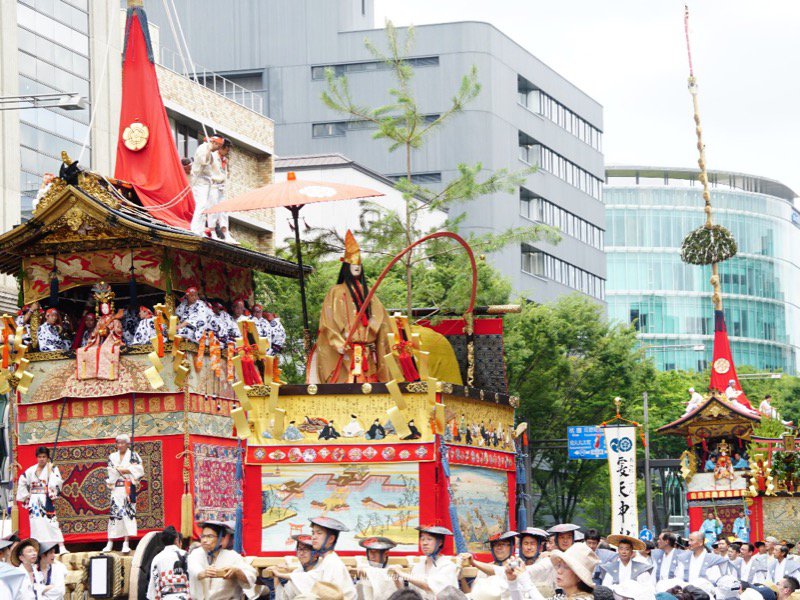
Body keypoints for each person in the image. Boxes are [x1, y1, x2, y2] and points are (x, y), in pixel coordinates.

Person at [316, 230, 392, 384]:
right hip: (344, 354)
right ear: (345, 266)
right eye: (352, 264)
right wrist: (339, 344)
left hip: (368, 356)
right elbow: (328, 323)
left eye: (359, 264)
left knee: (369, 388)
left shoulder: (369, 294)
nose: (356, 267)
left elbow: (383, 323)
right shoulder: (335, 292)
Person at [280, 517, 355, 600]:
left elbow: (330, 595)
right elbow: (311, 577)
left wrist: (281, 575)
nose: (313, 537)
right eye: (313, 533)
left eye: (319, 533)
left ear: (331, 539)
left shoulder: (332, 563)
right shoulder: (326, 560)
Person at [187, 520, 258, 599]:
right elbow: (194, 568)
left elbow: (250, 576)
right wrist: (202, 573)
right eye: (203, 536)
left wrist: (237, 572)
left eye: (210, 536)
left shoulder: (232, 556)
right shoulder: (196, 553)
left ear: (221, 540)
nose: (204, 540)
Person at [17, 446, 67, 554]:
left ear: (47, 457)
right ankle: (38, 547)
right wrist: (27, 495)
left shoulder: (52, 468)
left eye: (44, 457)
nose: (42, 459)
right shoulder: (31, 470)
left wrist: (51, 478)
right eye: (39, 457)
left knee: (51, 522)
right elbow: (22, 480)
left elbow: (57, 482)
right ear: (36, 457)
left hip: (46, 498)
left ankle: (61, 546)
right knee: (36, 524)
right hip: (34, 500)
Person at [507, 542, 599, 600]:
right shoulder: (560, 597)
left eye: (566, 567)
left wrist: (525, 579)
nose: (559, 571)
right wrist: (512, 581)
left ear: (579, 576)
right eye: (559, 565)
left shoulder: (584, 598)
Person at [389, 525, 459, 600]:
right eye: (422, 539)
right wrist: (396, 579)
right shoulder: (418, 566)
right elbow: (411, 595)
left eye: (429, 539)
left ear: (440, 543)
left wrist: (402, 574)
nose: (425, 543)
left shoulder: (447, 565)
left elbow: (428, 586)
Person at [104, 434, 144, 554]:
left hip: (127, 487)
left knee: (127, 515)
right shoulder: (112, 456)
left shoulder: (133, 455)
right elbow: (111, 470)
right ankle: (110, 542)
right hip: (116, 488)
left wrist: (125, 470)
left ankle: (126, 543)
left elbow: (139, 470)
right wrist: (126, 469)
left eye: (123, 443)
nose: (120, 445)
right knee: (115, 514)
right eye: (118, 443)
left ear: (127, 444)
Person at [190, 136, 224, 237]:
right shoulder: (203, 148)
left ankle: (200, 229)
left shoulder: (212, 153)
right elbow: (203, 161)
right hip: (199, 180)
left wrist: (220, 178)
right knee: (201, 205)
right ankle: (195, 228)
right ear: (214, 143)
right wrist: (208, 150)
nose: (218, 148)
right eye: (218, 145)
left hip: (207, 182)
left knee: (205, 207)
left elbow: (214, 168)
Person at [147, 526, 189, 600]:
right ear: (176, 540)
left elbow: (154, 584)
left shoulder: (157, 558)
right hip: (184, 596)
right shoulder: (185, 555)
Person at [270, 533, 317, 600]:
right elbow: (283, 598)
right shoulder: (297, 572)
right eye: (300, 549)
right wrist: (276, 577)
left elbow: (307, 577)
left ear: (316, 554)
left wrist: (279, 574)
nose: (301, 553)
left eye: (306, 549)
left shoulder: (321, 569)